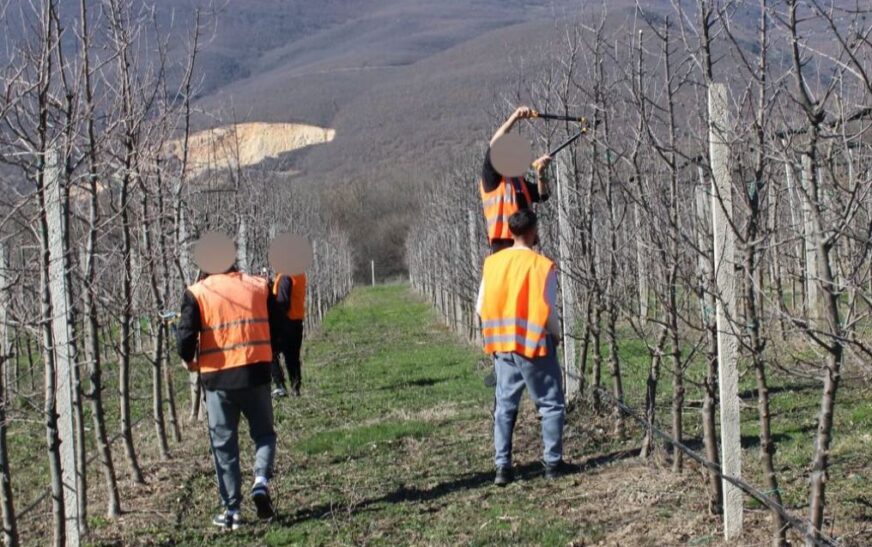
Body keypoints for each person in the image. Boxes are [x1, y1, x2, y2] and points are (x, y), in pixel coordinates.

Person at [177, 264, 283, 530]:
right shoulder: (258, 285)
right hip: (256, 374)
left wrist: (189, 360)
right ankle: (260, 481)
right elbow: (278, 327)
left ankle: (232, 511)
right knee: (264, 435)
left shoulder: (197, 292)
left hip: (218, 380)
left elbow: (185, 341)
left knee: (224, 446)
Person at [476, 209, 570, 485]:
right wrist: (555, 335)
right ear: (533, 231)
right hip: (532, 343)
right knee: (551, 403)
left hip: (501, 344)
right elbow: (548, 308)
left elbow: (481, 307)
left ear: (510, 231)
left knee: (505, 406)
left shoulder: (492, 263)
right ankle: (553, 464)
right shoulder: (542, 265)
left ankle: (502, 467)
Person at [481, 106, 552, 253]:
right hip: (503, 246)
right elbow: (494, 145)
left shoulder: (518, 181)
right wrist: (514, 118)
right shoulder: (491, 178)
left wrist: (541, 172)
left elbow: (542, 195)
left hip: (525, 245)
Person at [271, 272, 306, 398]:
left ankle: (280, 386)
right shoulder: (300, 275)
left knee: (270, 351)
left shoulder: (285, 276)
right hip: (297, 321)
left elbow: (283, 302)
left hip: (286, 322)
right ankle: (296, 387)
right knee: (293, 357)